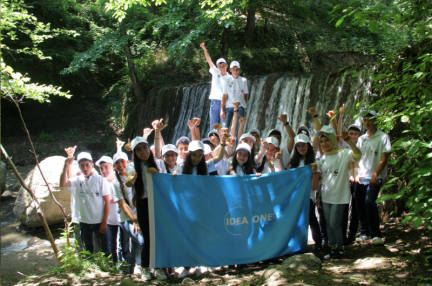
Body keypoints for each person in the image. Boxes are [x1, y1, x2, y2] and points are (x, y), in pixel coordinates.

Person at [315, 126, 362, 259]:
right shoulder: (322, 158)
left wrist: (348, 140)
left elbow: (358, 155)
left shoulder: (344, 153)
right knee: (329, 223)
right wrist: (318, 195)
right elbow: (321, 178)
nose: (324, 144)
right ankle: (333, 248)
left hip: (340, 195)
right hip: (326, 195)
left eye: (327, 140)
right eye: (322, 141)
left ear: (333, 140)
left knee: (334, 222)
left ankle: (340, 248)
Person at [125, 137, 166, 280]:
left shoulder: (158, 163)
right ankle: (145, 268)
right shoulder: (132, 166)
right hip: (143, 205)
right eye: (139, 149)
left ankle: (159, 267)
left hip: (159, 204)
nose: (143, 151)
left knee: (159, 237)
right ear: (134, 153)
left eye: (145, 147)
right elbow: (129, 181)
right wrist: (131, 179)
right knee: (148, 238)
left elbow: (166, 182)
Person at [59, 152, 111, 256]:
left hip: (99, 221)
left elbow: (107, 201)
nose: (85, 168)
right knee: (87, 250)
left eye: (87, 165)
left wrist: (104, 222)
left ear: (92, 165)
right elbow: (62, 184)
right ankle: (90, 269)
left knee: (104, 249)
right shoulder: (77, 180)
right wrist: (66, 166)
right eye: (82, 165)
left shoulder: (100, 180)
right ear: (78, 167)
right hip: (84, 221)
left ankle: (108, 269)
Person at [355, 110, 391, 245]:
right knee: (359, 203)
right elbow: (358, 158)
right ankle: (365, 231)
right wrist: (356, 175)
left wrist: (375, 174)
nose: (367, 122)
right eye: (365, 120)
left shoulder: (383, 137)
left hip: (375, 176)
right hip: (361, 176)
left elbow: (384, 159)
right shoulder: (361, 139)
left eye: (370, 119)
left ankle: (376, 234)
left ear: (376, 120)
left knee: (369, 201)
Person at [111, 151, 146, 276]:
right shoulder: (115, 183)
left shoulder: (136, 176)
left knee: (136, 245)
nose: (120, 165)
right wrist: (135, 220)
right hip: (127, 219)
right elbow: (123, 204)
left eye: (122, 161)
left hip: (140, 216)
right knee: (141, 241)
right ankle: (141, 266)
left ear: (127, 162)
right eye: (117, 163)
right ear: (114, 166)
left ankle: (131, 271)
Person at [288, 134, 321, 251]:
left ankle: (318, 243)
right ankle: (299, 244)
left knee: (311, 219)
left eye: (303, 145)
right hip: (296, 197)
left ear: (308, 145)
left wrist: (315, 172)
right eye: (298, 146)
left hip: (308, 196)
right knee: (298, 220)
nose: (301, 148)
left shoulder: (314, 162)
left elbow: (314, 186)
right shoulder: (294, 163)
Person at [337, 104, 362, 245]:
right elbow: (339, 132)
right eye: (351, 133)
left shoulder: (362, 145)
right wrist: (341, 115)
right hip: (345, 181)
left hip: (357, 181)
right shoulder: (345, 145)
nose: (353, 136)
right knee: (344, 208)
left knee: (356, 208)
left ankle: (352, 235)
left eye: (355, 134)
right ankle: (341, 234)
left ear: (359, 135)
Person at [95, 155, 120, 264]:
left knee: (123, 248)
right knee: (110, 248)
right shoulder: (100, 182)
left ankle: (126, 270)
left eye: (106, 167)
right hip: (109, 221)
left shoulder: (119, 180)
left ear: (113, 167)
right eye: (101, 168)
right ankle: (113, 269)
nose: (103, 170)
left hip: (122, 220)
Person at [200, 42, 230, 127]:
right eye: (220, 66)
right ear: (217, 67)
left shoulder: (230, 78)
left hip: (225, 103)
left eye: (223, 66)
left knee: (224, 126)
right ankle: (212, 140)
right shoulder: (215, 72)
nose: (222, 68)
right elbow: (209, 60)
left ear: (226, 66)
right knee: (213, 126)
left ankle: (223, 140)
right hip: (214, 101)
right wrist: (204, 49)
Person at [221, 61, 248, 133]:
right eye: (233, 69)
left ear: (239, 69)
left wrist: (243, 105)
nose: (235, 71)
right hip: (229, 106)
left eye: (237, 69)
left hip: (240, 106)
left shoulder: (244, 80)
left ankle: (238, 143)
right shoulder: (227, 81)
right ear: (230, 70)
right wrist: (222, 109)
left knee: (239, 127)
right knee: (225, 126)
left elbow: (245, 94)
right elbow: (224, 95)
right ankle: (224, 143)